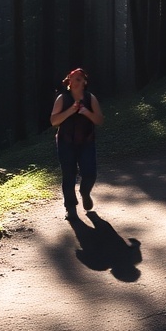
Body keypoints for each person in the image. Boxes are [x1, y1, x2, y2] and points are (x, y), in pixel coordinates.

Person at [49, 67, 104, 221]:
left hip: (86, 142)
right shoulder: (62, 98)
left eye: (79, 79)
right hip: (66, 142)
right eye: (73, 78)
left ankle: (85, 192)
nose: (75, 81)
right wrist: (70, 111)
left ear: (84, 82)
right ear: (69, 82)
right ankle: (70, 208)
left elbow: (99, 120)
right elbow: (54, 121)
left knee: (90, 173)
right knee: (68, 175)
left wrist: (86, 112)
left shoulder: (90, 98)